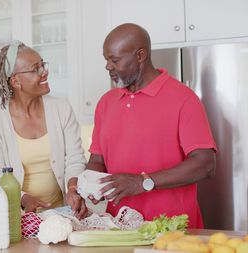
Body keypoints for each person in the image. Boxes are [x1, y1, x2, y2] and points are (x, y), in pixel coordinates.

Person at [86, 23, 217, 228]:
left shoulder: (183, 99)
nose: (108, 66)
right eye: (106, 60)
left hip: (174, 231)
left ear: (140, 56)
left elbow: (205, 163)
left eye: (115, 60)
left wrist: (143, 182)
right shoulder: (106, 103)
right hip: (118, 231)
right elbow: (97, 159)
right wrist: (89, 186)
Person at [0, 40, 89, 219]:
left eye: (43, 65)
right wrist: (24, 199)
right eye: (35, 69)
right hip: (17, 217)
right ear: (15, 81)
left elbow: (75, 158)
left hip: (62, 214)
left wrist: (72, 188)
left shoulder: (61, 108)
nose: (44, 72)